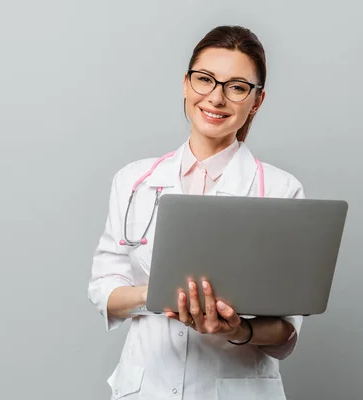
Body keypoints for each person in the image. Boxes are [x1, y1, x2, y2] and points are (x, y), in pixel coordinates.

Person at [88, 25, 306, 400]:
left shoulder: (282, 191)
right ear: (187, 85)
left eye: (236, 87)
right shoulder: (134, 180)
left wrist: (235, 330)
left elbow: (287, 330)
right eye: (205, 80)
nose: (216, 98)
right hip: (147, 386)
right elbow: (104, 291)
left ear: (256, 101)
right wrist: (160, 295)